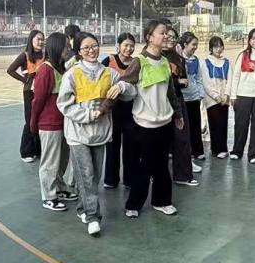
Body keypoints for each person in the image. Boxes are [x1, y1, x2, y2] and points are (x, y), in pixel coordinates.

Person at [57, 31, 132, 236]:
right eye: (86, 48)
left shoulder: (109, 73)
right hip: (77, 134)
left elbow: (131, 93)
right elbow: (64, 104)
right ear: (79, 51)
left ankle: (83, 208)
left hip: (100, 133)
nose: (91, 50)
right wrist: (89, 115)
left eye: (94, 46)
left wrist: (122, 86)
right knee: (87, 174)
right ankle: (93, 217)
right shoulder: (72, 74)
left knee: (93, 176)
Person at [123, 19, 180, 217]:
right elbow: (124, 84)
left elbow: (170, 92)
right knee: (145, 165)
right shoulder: (139, 62)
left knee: (162, 165)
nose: (166, 36)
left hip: (165, 122)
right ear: (149, 37)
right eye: (162, 33)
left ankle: (162, 201)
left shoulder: (164, 62)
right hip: (145, 124)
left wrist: (178, 114)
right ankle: (133, 204)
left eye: (166, 33)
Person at [29, 31, 78, 211]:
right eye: (66, 46)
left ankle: (59, 188)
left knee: (61, 160)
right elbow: (38, 101)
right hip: (49, 125)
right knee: (50, 162)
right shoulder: (45, 70)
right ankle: (49, 196)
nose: (68, 50)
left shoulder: (61, 68)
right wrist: (33, 123)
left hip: (63, 123)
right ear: (57, 47)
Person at [164, 25, 200, 187]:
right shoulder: (151, 58)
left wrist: (179, 82)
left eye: (173, 37)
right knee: (158, 141)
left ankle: (183, 175)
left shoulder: (178, 58)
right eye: (166, 35)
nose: (170, 39)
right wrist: (175, 81)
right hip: (158, 102)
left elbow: (183, 81)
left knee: (182, 137)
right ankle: (154, 175)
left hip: (177, 100)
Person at [229, 28, 255, 163]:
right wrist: (233, 95)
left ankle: (254, 155)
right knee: (241, 124)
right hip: (243, 95)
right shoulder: (243, 55)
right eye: (253, 38)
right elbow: (236, 76)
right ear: (249, 40)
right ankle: (237, 151)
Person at [104, 32, 138, 188]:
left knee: (131, 146)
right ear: (118, 46)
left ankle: (130, 179)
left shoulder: (136, 63)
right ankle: (111, 179)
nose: (129, 49)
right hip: (113, 109)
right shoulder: (108, 61)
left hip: (131, 109)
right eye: (126, 45)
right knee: (112, 145)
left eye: (132, 46)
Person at [6, 29, 45, 163]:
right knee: (30, 121)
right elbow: (10, 70)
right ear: (31, 40)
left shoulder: (46, 55)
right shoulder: (25, 55)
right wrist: (25, 79)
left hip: (44, 91)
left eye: (42, 39)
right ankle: (26, 152)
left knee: (41, 120)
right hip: (30, 92)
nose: (41, 42)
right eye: (38, 39)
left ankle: (38, 150)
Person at [201, 36, 232, 158]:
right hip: (212, 99)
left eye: (220, 46)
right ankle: (215, 149)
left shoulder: (227, 62)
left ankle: (223, 149)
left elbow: (230, 80)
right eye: (215, 47)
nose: (218, 49)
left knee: (223, 123)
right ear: (211, 48)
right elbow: (206, 82)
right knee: (214, 123)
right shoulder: (206, 62)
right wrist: (215, 96)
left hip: (224, 99)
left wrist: (226, 95)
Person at [179, 32, 208, 161]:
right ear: (185, 44)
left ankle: (198, 151)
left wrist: (200, 94)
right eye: (193, 44)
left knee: (195, 125)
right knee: (183, 126)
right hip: (182, 98)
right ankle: (185, 151)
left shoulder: (196, 60)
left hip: (194, 98)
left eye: (197, 45)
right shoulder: (178, 59)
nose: (195, 47)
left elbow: (199, 78)